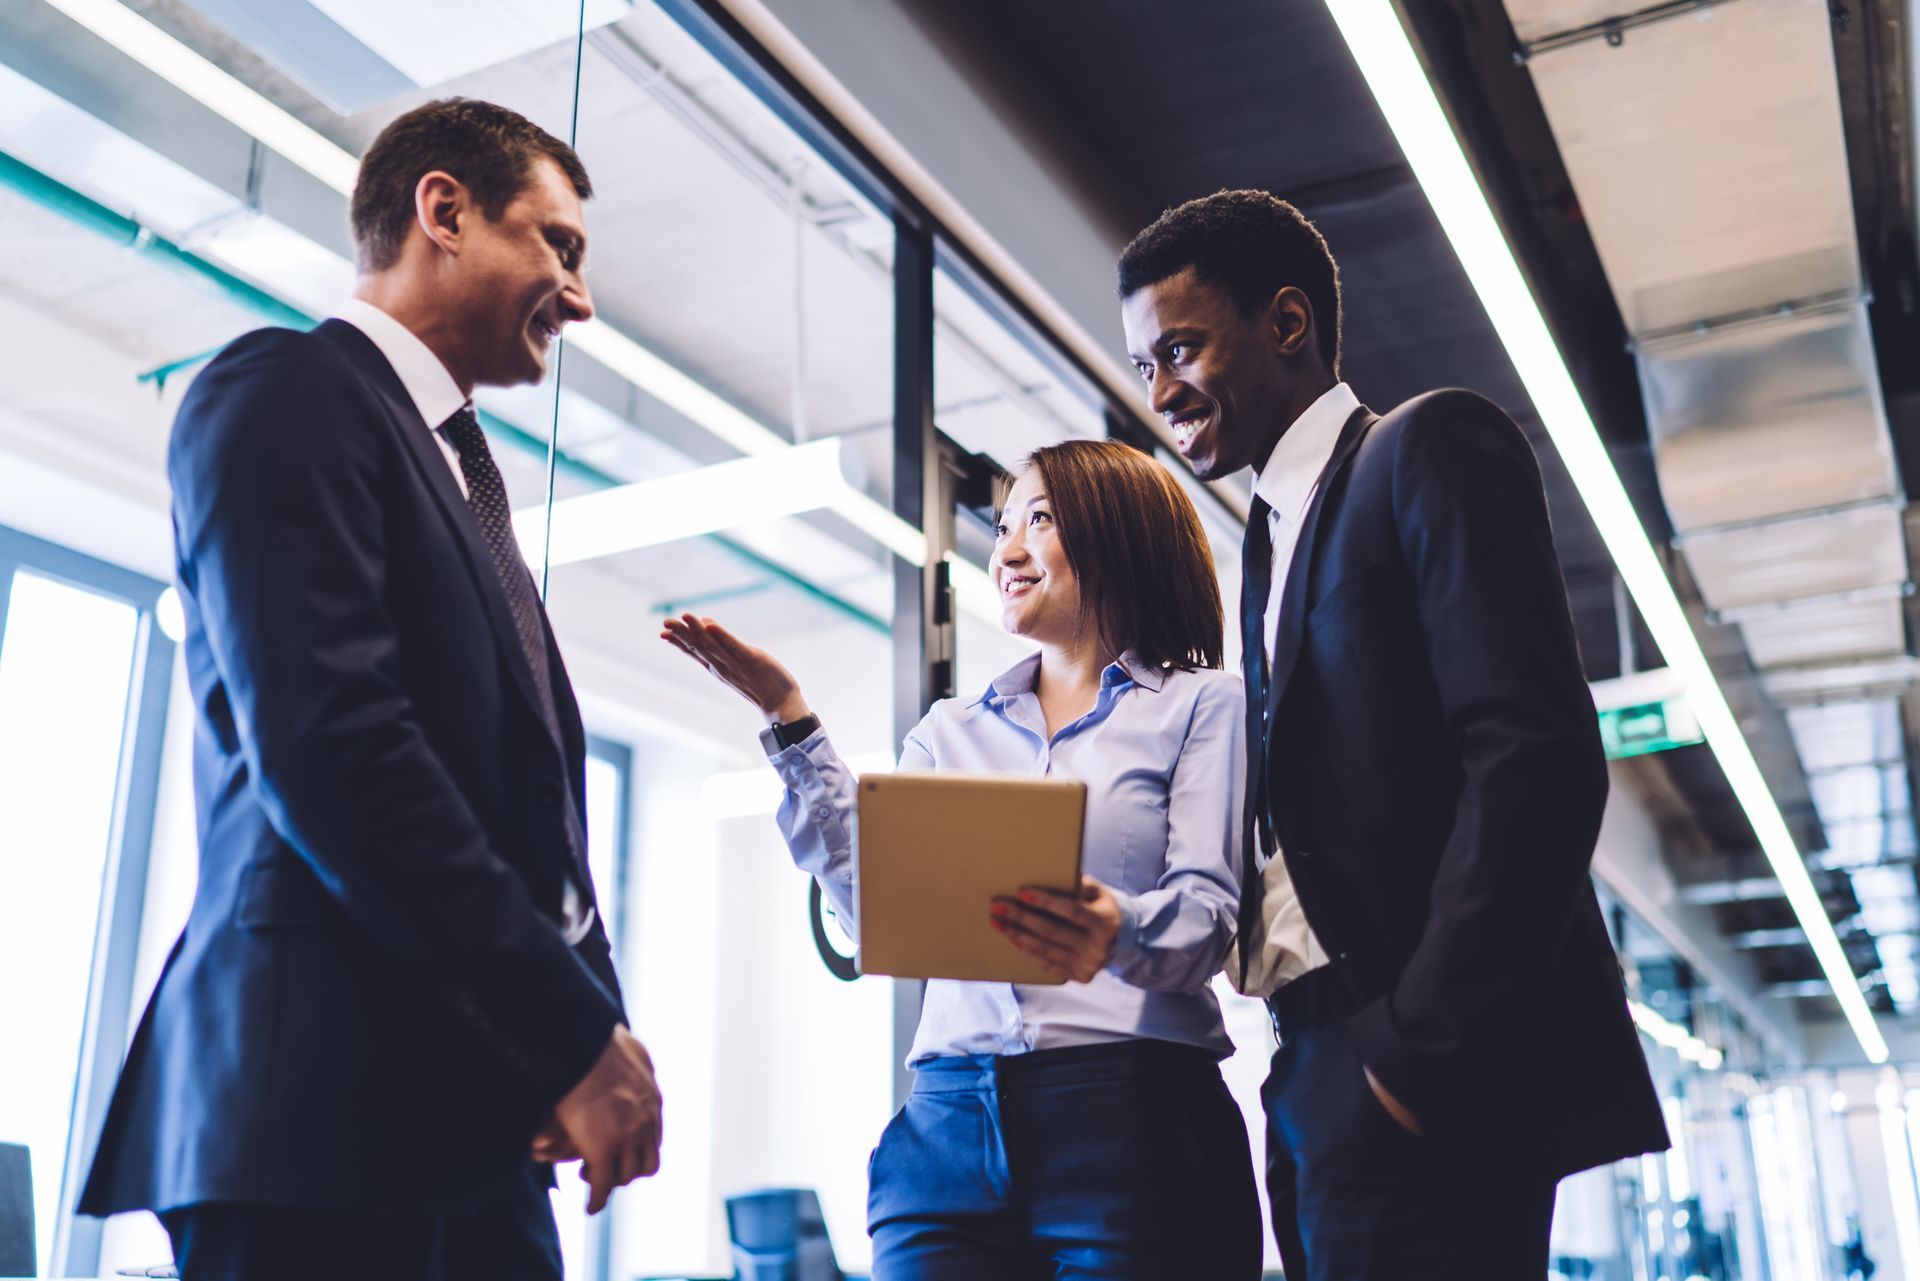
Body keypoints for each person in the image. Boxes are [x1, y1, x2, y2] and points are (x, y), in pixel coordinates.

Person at [78, 99, 662, 1280]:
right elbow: (337, 747)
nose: (581, 297)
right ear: (442, 210)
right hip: (319, 1120)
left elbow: (508, 798)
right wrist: (568, 1030)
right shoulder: (288, 389)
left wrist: (581, 1026)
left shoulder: (455, 472)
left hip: (471, 1115)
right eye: (560, 245)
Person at [1117, 189, 1670, 1280]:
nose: (1162, 393)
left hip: (1414, 1061)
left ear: (1287, 323)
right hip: (1312, 1061)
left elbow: (1533, 759)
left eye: (1180, 348)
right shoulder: (1267, 541)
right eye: (1143, 367)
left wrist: (1413, 1054)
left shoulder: (1426, 447)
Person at [663, 439, 1261, 1279]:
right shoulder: (950, 730)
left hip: (1132, 1121)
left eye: (1040, 519)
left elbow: (1208, 913)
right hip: (945, 1130)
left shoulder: (1203, 705)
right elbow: (880, 911)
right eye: (1004, 525)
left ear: (1121, 533)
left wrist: (1113, 927)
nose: (1007, 550)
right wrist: (790, 720)